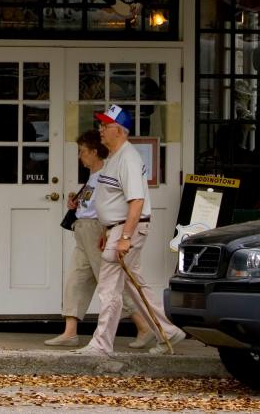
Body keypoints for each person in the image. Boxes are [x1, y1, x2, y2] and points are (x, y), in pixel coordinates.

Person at [76, 104, 186, 356]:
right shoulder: (116, 156)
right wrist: (109, 232)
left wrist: (124, 236)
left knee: (109, 286)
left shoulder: (129, 158)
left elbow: (136, 201)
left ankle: (102, 344)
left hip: (127, 230)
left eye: (105, 126)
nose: (100, 130)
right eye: (101, 125)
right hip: (117, 229)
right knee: (134, 286)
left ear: (120, 130)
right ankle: (167, 332)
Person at [45, 129, 153, 347]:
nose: (80, 156)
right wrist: (77, 203)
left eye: (83, 151)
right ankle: (70, 331)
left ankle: (143, 326)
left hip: (97, 231)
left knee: (110, 282)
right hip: (82, 231)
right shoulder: (93, 176)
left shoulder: (108, 171)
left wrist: (113, 232)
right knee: (76, 279)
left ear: (94, 152)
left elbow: (119, 203)